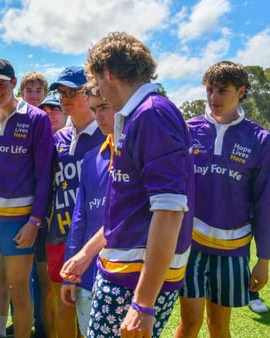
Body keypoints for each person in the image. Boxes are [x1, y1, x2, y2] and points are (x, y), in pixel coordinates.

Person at [64, 31, 194, 338]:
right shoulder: (138, 115)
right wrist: (87, 254)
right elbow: (129, 210)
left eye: (97, 78)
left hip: (133, 277)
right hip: (125, 270)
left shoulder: (153, 115)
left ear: (108, 73)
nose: (99, 92)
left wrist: (144, 304)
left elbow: (170, 210)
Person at [176, 61, 270, 338]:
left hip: (233, 249)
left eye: (222, 91)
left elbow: (264, 204)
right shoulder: (188, 130)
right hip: (190, 246)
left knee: (219, 327)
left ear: (241, 91)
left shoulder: (260, 140)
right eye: (209, 90)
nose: (213, 98)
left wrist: (264, 259)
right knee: (190, 323)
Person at [0, 58, 53, 338]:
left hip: (20, 221)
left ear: (14, 83)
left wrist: (34, 221)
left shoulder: (37, 119)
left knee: (18, 289)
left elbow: (44, 175)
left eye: (1, 84)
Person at [46, 66, 105, 338]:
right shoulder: (59, 138)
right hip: (61, 234)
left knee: (94, 308)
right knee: (64, 303)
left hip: (97, 239)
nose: (65, 98)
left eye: (73, 92)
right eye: (61, 93)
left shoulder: (106, 136)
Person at [59, 82, 115, 337]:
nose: (99, 115)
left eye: (105, 107)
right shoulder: (92, 156)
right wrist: (71, 271)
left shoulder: (138, 153)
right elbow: (79, 218)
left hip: (127, 272)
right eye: (95, 109)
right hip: (89, 273)